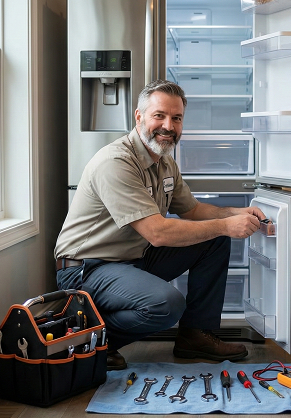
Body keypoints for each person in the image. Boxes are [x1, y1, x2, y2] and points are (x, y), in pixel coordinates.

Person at [54, 79, 266, 370]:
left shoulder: (165, 163)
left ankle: (196, 335)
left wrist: (233, 214)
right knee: (167, 303)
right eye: (159, 115)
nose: (169, 125)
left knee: (214, 240)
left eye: (176, 118)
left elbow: (192, 210)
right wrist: (226, 226)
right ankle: (90, 341)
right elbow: (157, 233)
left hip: (132, 259)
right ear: (139, 117)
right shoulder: (116, 162)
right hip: (87, 268)